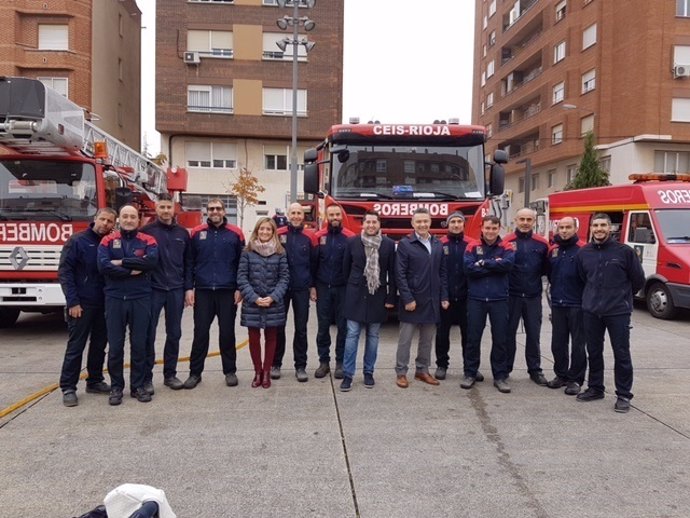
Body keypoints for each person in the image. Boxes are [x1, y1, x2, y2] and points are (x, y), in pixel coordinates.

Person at [576, 213, 645, 413]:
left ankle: (623, 394)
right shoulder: (584, 253)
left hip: (618, 312)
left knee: (621, 353)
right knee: (594, 352)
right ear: (591, 228)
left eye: (603, 225)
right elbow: (583, 279)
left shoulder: (625, 252)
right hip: (591, 311)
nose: (599, 229)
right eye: (595, 225)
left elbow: (638, 280)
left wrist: (622, 297)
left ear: (610, 228)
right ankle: (595, 388)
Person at [97, 205, 159, 405]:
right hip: (114, 299)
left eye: (133, 216)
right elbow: (102, 266)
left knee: (139, 345)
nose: (129, 220)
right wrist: (130, 269)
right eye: (125, 216)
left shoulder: (148, 240)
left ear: (138, 220)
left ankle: (138, 386)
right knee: (115, 347)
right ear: (119, 220)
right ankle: (116, 387)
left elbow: (151, 262)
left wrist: (120, 262)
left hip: (140, 298)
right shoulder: (108, 240)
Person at [58, 208, 116, 407]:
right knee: (76, 346)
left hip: (105, 303)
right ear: (95, 219)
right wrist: (72, 301)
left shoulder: (111, 243)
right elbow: (65, 272)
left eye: (109, 221)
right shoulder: (77, 241)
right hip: (81, 304)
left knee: (100, 344)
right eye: (103, 219)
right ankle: (68, 387)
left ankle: (94, 381)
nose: (105, 224)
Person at [183, 199, 244, 389]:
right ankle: (195, 373)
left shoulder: (236, 234)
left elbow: (242, 264)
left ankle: (230, 371)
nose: (215, 211)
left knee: (227, 333)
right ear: (206, 212)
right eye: (211, 209)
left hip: (227, 291)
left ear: (224, 211)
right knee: (200, 333)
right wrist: (189, 288)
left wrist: (239, 288)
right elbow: (189, 263)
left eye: (218, 208)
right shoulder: (196, 233)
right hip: (203, 291)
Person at [339, 210, 396, 392]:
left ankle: (368, 372)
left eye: (374, 222)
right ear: (362, 224)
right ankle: (348, 374)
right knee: (352, 335)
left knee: (373, 336)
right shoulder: (352, 242)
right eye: (368, 222)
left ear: (379, 224)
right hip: (355, 294)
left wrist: (390, 297)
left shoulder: (388, 245)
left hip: (377, 295)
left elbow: (392, 273)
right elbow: (345, 269)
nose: (371, 225)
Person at [141, 193, 192, 392]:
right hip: (153, 289)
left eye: (168, 207)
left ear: (174, 208)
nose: (165, 211)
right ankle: (147, 378)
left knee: (174, 334)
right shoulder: (146, 232)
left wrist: (188, 288)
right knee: (148, 334)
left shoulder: (182, 233)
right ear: (156, 207)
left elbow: (189, 263)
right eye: (161, 207)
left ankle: (170, 375)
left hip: (176, 290)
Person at [394, 207, 448, 388]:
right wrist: (407, 298)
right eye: (419, 222)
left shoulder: (438, 244)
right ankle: (401, 372)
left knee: (427, 340)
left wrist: (444, 296)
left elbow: (443, 273)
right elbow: (399, 274)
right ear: (412, 224)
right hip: (412, 301)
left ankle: (422, 370)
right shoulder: (405, 244)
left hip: (432, 301)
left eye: (425, 221)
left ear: (430, 221)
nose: (422, 224)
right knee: (405, 340)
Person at [464, 215, 515, 393]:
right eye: (487, 228)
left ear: (498, 228)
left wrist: (484, 263)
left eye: (494, 228)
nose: (490, 231)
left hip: (499, 299)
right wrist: (495, 265)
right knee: (473, 338)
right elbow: (469, 269)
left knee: (500, 339)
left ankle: (500, 376)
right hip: (476, 299)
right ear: (482, 228)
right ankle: (470, 373)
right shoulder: (472, 246)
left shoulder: (506, 246)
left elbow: (508, 265)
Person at [237, 217, 290, 389]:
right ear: (256, 231)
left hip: (273, 303)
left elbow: (284, 278)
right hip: (253, 302)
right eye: (262, 229)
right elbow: (242, 277)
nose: (265, 232)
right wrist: (254, 297)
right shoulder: (247, 252)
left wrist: (273, 297)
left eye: (268, 229)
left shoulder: (280, 252)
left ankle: (267, 371)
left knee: (271, 337)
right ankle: (257, 371)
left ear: (273, 232)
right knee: (254, 338)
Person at [434, 211, 484, 382]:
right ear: (448, 225)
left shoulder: (473, 244)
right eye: (452, 222)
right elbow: (438, 273)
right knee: (442, 334)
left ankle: (470, 367)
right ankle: (442, 365)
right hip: (445, 298)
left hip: (467, 298)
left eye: (459, 222)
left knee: (469, 336)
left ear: (463, 224)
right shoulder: (440, 244)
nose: (456, 225)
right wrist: (443, 295)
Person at [272, 202, 318, 382]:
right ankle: (276, 363)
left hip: (301, 288)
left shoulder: (310, 237)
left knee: (301, 329)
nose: (297, 216)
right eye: (293, 213)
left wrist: (312, 286)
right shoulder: (279, 235)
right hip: (281, 290)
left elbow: (314, 264)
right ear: (288, 215)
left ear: (303, 216)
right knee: (278, 327)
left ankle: (300, 366)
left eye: (299, 213)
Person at [504, 207, 550, 386]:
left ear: (534, 221)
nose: (524, 223)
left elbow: (547, 269)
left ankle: (535, 370)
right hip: (511, 296)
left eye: (528, 220)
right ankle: (505, 369)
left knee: (533, 334)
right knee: (508, 334)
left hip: (532, 296)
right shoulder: (506, 242)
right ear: (515, 220)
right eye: (521, 219)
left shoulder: (542, 243)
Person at [313, 204, 355, 379]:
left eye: (337, 214)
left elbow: (354, 264)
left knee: (343, 327)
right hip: (323, 288)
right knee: (323, 327)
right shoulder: (318, 237)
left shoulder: (351, 238)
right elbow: (313, 264)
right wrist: (313, 287)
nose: (335, 217)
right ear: (326, 217)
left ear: (342, 216)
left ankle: (340, 362)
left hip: (343, 289)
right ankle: (324, 362)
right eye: (331, 215)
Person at [546, 216, 587, 396]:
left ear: (575, 229)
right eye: (561, 227)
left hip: (577, 304)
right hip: (557, 303)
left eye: (568, 227)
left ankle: (575, 380)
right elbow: (548, 273)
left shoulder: (583, 250)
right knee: (558, 343)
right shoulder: (553, 249)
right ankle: (561, 375)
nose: (564, 230)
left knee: (578, 345)